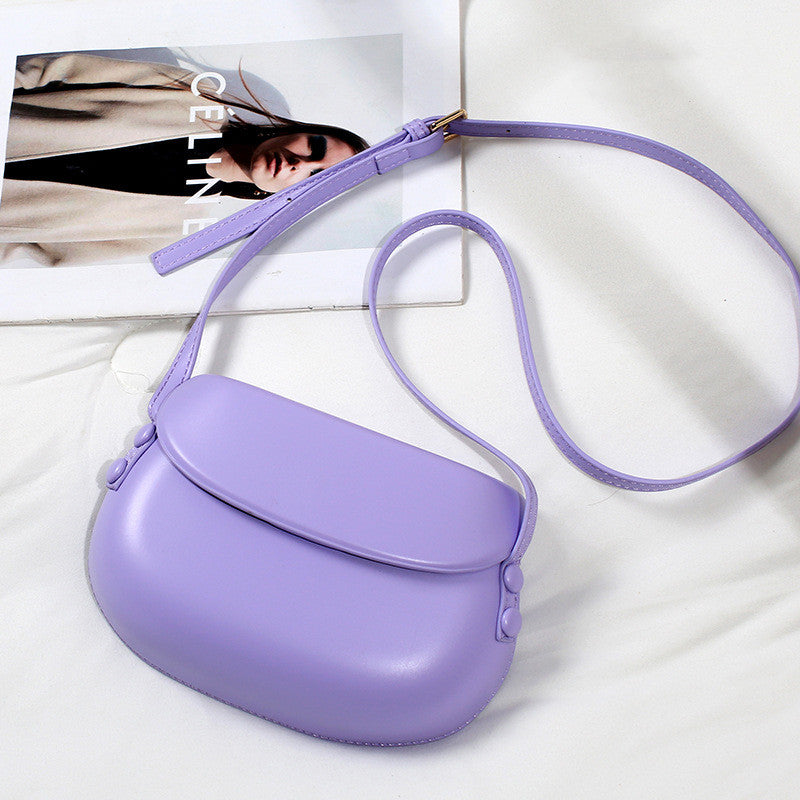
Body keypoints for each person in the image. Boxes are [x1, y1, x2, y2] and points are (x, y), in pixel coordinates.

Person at [0, 52, 368, 266]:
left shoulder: (173, 231)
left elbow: (37, 251)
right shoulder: (195, 95)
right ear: (302, 130)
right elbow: (58, 70)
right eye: (314, 147)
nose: (298, 164)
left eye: (313, 178)